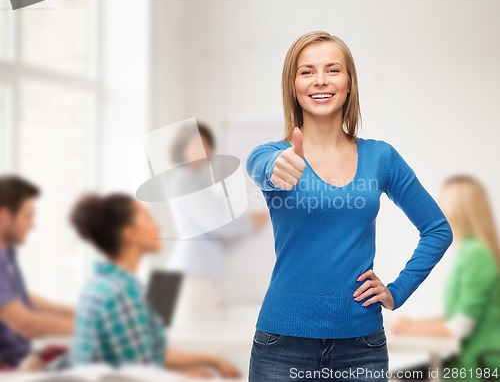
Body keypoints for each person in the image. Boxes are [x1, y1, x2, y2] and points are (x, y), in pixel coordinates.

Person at [245, 31, 454, 381]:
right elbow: (261, 168)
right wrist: (276, 168)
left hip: (361, 346)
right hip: (282, 345)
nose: (320, 81)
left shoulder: (381, 157)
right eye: (307, 71)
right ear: (293, 85)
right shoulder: (271, 155)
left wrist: (397, 291)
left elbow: (437, 229)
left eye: (332, 70)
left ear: (348, 83)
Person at [69, 192, 242, 379]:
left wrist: (211, 361)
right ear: (130, 234)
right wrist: (187, 376)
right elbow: (138, 373)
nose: (157, 225)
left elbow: (150, 354)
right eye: (147, 219)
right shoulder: (122, 293)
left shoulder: (102, 284)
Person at [390, 174, 500, 381]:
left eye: (441, 202)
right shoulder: (472, 251)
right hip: (471, 360)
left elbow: (459, 326)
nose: (435, 209)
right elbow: (461, 315)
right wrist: (414, 324)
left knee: (394, 379)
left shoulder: (475, 254)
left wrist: (410, 328)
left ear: (459, 210)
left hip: (479, 365)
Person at [165, 121, 268, 325]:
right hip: (192, 274)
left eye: (205, 145)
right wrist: (251, 221)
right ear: (182, 149)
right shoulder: (186, 180)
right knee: (197, 343)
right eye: (195, 145)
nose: (203, 151)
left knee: (196, 341)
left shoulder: (193, 180)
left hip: (194, 272)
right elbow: (217, 223)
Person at [0, 175, 74, 370]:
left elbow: (21, 300)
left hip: (22, 357)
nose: (32, 225)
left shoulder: (7, 254)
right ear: (5, 216)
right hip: (10, 366)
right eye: (28, 216)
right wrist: (92, 327)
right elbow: (26, 324)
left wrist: (79, 312)